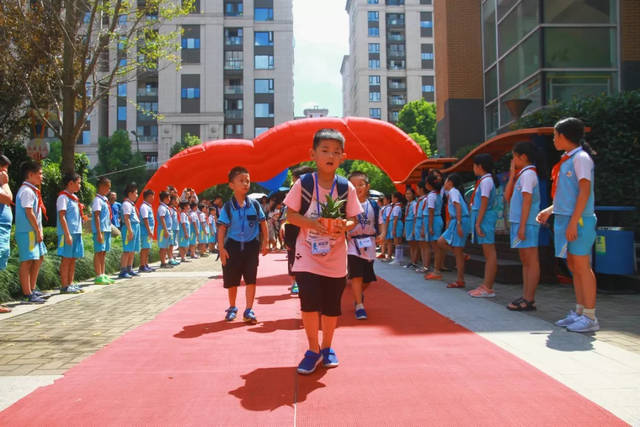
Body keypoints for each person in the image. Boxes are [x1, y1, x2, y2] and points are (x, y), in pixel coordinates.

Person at [283, 128, 362, 375]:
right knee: (308, 303)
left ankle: (328, 347)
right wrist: (312, 224)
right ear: (313, 154)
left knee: (331, 305)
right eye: (325, 150)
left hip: (336, 257)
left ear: (343, 157)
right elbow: (290, 216)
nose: (330, 155)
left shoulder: (345, 187)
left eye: (336, 152)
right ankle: (312, 349)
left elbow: (354, 219)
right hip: (307, 254)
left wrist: (343, 226)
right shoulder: (303, 184)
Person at [538, 118, 599, 332]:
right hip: (567, 219)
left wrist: (574, 222)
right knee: (573, 266)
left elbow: (584, 191)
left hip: (579, 220)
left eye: (555, 136)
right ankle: (580, 312)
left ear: (564, 137)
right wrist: (550, 210)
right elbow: (568, 193)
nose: (554, 140)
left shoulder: (580, 158)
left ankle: (590, 317)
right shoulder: (568, 159)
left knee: (582, 267)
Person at [217, 166, 269, 325]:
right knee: (232, 281)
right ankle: (232, 307)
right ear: (231, 185)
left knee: (251, 279)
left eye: (247, 180)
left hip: (251, 246)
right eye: (241, 180)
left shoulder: (254, 204)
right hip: (232, 246)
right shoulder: (227, 207)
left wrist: (265, 242)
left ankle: (249, 309)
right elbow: (221, 229)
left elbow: (263, 223)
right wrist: (221, 249)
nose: (245, 183)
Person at [503, 142, 541, 310]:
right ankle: (526, 296)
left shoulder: (528, 175)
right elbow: (507, 196)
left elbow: (527, 200)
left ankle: (529, 298)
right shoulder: (522, 175)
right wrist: (512, 175)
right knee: (525, 260)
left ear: (523, 157)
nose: (513, 161)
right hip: (521, 222)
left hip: (527, 223)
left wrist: (523, 226)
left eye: (514, 157)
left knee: (530, 260)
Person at [347, 171, 379, 320]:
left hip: (369, 243)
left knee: (367, 278)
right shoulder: (345, 204)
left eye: (360, 184)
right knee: (356, 275)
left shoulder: (373, 204)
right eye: (353, 185)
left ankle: (358, 295)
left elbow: (380, 222)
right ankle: (359, 305)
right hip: (353, 243)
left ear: (367, 186)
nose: (357, 188)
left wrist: (383, 234)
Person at [15, 161, 47, 303]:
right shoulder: (27, 191)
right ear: (30, 174)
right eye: (39, 174)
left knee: (39, 258)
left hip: (33, 231)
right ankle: (27, 293)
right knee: (27, 261)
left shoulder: (32, 190)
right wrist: (37, 230)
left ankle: (32, 289)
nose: (42, 176)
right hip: (28, 231)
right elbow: (29, 213)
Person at [467, 154, 499, 298]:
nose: (473, 168)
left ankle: (488, 287)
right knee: (488, 253)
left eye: (474, 165)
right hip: (483, 218)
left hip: (485, 219)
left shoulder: (486, 181)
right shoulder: (484, 180)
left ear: (480, 166)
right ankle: (486, 284)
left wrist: (478, 223)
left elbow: (484, 202)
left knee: (489, 253)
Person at [282, 166, 316, 295]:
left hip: (312, 232)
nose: (294, 183)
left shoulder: (318, 192)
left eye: (296, 180)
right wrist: (283, 225)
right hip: (293, 230)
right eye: (293, 181)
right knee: (293, 255)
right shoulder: (293, 191)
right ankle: (294, 282)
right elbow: (287, 214)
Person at [438, 173, 470, 288]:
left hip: (458, 221)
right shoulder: (453, 192)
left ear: (450, 182)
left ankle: (460, 280)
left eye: (445, 181)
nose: (444, 183)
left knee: (457, 251)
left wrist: (459, 224)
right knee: (441, 242)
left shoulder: (453, 191)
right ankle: (462, 255)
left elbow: (458, 207)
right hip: (455, 221)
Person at [57, 173, 85, 293]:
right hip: (68, 232)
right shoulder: (63, 197)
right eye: (78, 183)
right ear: (70, 183)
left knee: (73, 258)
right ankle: (64, 285)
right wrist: (67, 234)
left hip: (76, 232)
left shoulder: (74, 198)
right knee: (66, 259)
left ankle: (70, 283)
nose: (80, 186)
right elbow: (62, 216)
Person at [91, 177, 115, 285]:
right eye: (108, 187)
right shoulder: (97, 200)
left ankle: (103, 273)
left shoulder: (104, 200)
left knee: (103, 252)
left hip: (106, 229)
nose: (109, 190)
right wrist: (99, 232)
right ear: (102, 186)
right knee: (99, 252)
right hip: (100, 230)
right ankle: (98, 275)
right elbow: (96, 216)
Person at [424, 173, 445, 280]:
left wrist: (430, 226)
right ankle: (437, 268)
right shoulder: (438, 194)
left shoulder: (432, 195)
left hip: (434, 220)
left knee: (436, 247)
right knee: (437, 247)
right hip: (438, 219)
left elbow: (431, 211)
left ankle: (437, 270)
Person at [0, 155, 14, 312]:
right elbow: (7, 198)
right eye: (4, 170)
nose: (5, 174)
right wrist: (5, 183)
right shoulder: (3, 184)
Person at [119, 183, 141, 279]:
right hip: (130, 227)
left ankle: (129, 268)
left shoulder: (131, 204)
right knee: (127, 250)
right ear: (130, 193)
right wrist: (130, 230)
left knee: (132, 250)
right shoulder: (126, 204)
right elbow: (126, 218)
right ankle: (123, 270)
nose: (137, 195)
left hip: (135, 226)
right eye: (136, 193)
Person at [139, 189, 156, 273]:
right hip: (145, 231)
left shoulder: (148, 206)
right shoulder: (144, 207)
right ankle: (142, 265)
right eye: (152, 196)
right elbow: (145, 219)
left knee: (147, 248)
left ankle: (145, 264)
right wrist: (149, 231)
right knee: (144, 248)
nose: (153, 198)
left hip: (148, 231)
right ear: (148, 196)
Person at [414, 182, 430, 273]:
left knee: (425, 245)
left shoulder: (425, 200)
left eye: (417, 188)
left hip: (422, 221)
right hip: (418, 221)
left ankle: (426, 266)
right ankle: (424, 265)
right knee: (421, 244)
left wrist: (423, 227)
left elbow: (425, 214)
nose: (417, 190)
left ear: (421, 189)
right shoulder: (419, 200)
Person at [403, 187, 419, 269]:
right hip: (408, 224)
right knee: (410, 244)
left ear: (413, 195)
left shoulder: (414, 204)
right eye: (406, 194)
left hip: (412, 223)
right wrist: (405, 229)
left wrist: (413, 229)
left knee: (414, 244)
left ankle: (414, 261)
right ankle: (412, 261)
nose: (407, 195)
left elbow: (415, 216)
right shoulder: (408, 204)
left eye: (409, 193)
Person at [157, 191, 173, 268]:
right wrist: (165, 230)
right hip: (163, 230)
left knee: (166, 246)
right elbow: (162, 218)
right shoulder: (162, 208)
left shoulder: (166, 207)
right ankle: (163, 263)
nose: (169, 199)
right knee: (163, 247)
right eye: (168, 197)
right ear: (165, 198)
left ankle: (164, 262)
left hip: (168, 229)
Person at [388, 191, 404, 264]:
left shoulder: (397, 207)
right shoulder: (396, 206)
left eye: (392, 197)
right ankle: (399, 258)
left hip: (396, 224)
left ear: (396, 198)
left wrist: (393, 229)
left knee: (396, 241)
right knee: (398, 241)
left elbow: (395, 218)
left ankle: (397, 259)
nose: (391, 199)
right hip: (396, 223)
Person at [377, 195, 391, 260]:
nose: (384, 201)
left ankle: (388, 255)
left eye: (385, 199)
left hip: (385, 224)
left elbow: (388, 218)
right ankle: (383, 253)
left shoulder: (388, 208)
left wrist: (386, 227)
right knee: (384, 240)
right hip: (383, 224)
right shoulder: (384, 207)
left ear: (388, 200)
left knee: (388, 241)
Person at [169, 194, 181, 265]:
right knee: (171, 244)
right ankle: (170, 258)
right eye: (176, 199)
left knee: (173, 244)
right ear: (172, 200)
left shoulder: (174, 209)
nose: (178, 201)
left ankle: (171, 257)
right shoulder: (169, 209)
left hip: (175, 228)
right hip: (172, 229)